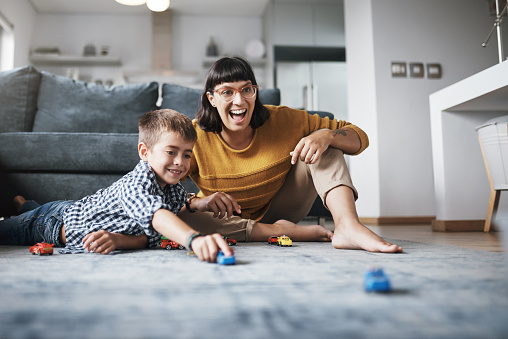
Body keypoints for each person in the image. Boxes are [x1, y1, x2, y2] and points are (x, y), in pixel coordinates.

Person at [178, 56, 402, 253]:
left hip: (282, 208)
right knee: (177, 217)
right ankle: (275, 232)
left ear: (255, 92)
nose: (239, 101)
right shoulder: (193, 135)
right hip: (224, 220)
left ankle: (347, 226)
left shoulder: (284, 120)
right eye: (227, 92)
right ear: (211, 99)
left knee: (325, 141)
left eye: (247, 90)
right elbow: (157, 189)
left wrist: (328, 136)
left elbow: (359, 137)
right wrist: (197, 203)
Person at [0, 109, 234, 262]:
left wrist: (200, 203)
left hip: (71, 208)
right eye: (171, 152)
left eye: (186, 155)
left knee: (34, 208)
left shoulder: (172, 187)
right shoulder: (136, 184)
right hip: (51, 224)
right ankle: (26, 208)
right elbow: (157, 216)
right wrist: (194, 239)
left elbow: (173, 211)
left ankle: (24, 204)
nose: (179, 163)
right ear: (145, 152)